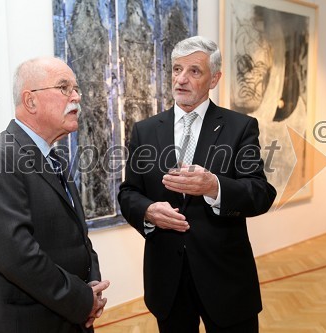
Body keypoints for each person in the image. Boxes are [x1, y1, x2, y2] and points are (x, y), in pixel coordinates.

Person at [118, 36, 276, 332]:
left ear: (214, 78)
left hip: (225, 279)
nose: (181, 79)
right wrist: (148, 211)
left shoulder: (240, 127)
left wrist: (214, 187)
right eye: (177, 69)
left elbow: (261, 193)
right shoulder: (145, 130)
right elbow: (129, 193)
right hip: (168, 280)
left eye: (194, 71)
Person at [0, 57, 110, 333]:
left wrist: (91, 285)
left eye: (76, 88)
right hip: (25, 322)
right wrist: (81, 300)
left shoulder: (55, 158)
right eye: (64, 87)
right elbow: (17, 256)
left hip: (70, 315)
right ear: (30, 101)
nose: (77, 97)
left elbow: (78, 234)